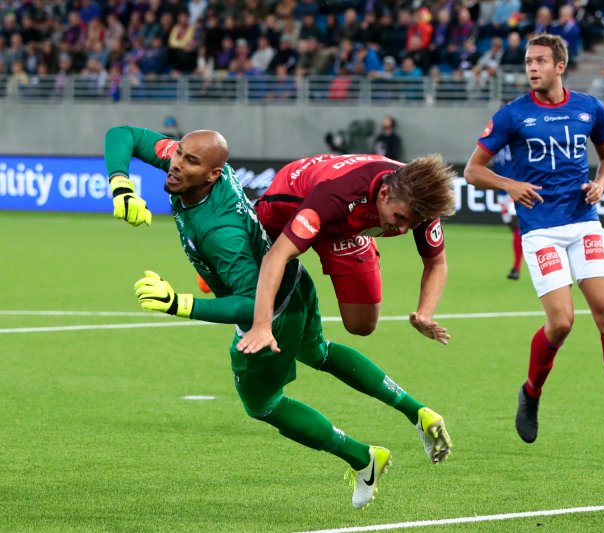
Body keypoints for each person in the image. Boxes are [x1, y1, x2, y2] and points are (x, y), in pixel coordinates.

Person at [103, 126, 452, 509]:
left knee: (263, 404)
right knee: (319, 353)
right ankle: (416, 410)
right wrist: (121, 184)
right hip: (295, 280)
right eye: (178, 155)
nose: (175, 164)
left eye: (189, 160)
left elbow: (251, 300)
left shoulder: (221, 232)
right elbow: (124, 135)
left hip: (272, 300)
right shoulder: (194, 168)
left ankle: (363, 458)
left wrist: (179, 303)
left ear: (213, 174)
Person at [464, 34, 604, 452]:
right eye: (527, 62)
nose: (532, 68)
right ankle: (531, 393)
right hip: (539, 227)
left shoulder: (589, 108)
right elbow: (472, 170)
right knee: (561, 322)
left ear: (561, 66)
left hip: (583, 222)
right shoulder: (512, 115)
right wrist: (510, 184)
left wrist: (601, 183)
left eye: (540, 60)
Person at [237, 153, 456, 350]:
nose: (403, 229)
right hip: (291, 201)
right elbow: (276, 256)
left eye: (413, 224)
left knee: (362, 324)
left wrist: (424, 314)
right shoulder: (338, 194)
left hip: (345, 225)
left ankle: (350, 233)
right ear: (384, 192)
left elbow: (436, 264)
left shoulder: (420, 205)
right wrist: (261, 327)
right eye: (400, 218)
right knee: (254, 266)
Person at [492, 144, 523, 280]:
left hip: (514, 188)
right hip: (501, 192)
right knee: (512, 227)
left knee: (517, 226)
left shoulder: (514, 138)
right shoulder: (495, 141)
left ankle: (516, 268)